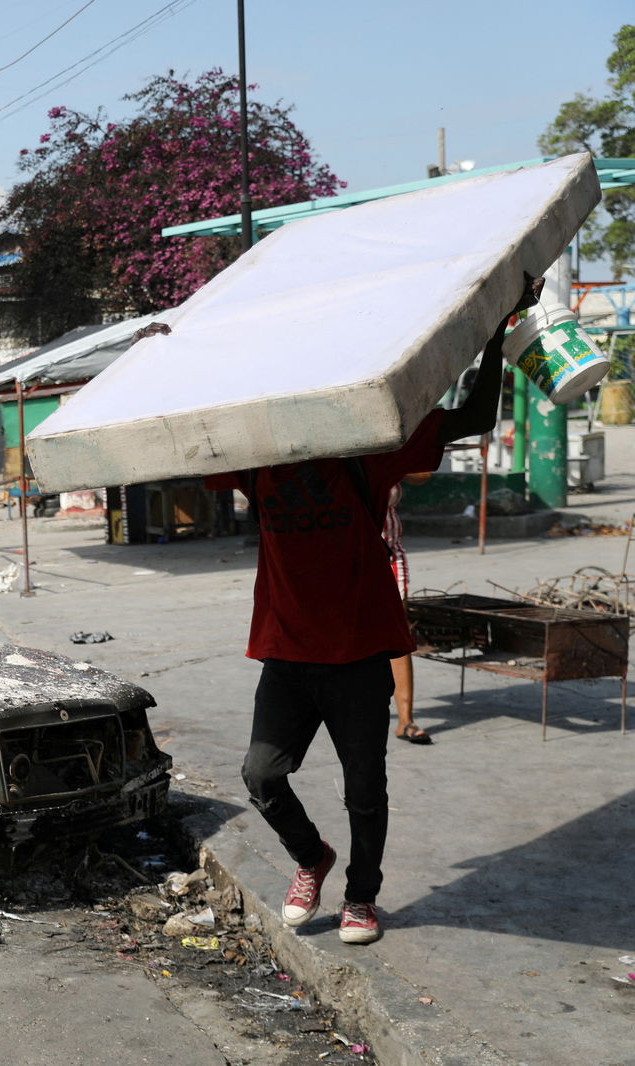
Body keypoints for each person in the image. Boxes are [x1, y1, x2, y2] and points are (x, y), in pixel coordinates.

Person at [191, 275, 541, 947]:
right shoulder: (255, 457)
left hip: (357, 653)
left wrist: (497, 335)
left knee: (365, 789)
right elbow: (186, 443)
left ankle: (360, 896)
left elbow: (471, 418)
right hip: (287, 653)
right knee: (261, 775)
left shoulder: (366, 450)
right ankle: (309, 858)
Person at [386, 473, 434, 744]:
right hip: (348, 555)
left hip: (389, 553)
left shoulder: (386, 448)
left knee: (399, 635)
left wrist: (396, 459)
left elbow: (421, 474)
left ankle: (405, 720)